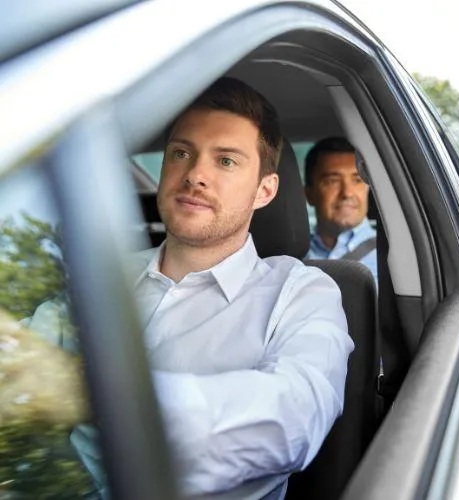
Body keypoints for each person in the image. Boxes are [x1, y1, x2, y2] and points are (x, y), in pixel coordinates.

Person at [4, 78, 353, 500]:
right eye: (182, 153)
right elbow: (20, 354)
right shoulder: (102, 275)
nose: (196, 175)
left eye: (226, 161)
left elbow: (294, 419)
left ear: (264, 191)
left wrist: (98, 392)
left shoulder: (302, 293)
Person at [304, 137, 377, 282]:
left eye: (357, 180)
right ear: (309, 194)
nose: (347, 193)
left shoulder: (392, 255)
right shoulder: (289, 259)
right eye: (332, 181)